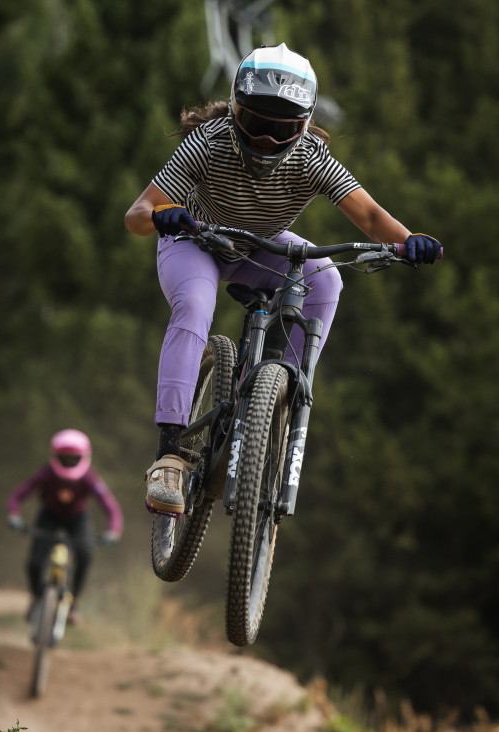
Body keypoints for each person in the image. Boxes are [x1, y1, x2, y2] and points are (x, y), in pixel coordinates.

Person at [123, 43, 442, 517]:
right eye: (257, 125)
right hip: (195, 240)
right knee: (194, 305)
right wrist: (163, 216)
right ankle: (171, 454)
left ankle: (276, 392)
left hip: (259, 249)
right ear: (234, 111)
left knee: (326, 278)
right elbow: (137, 214)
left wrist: (409, 238)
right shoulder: (209, 143)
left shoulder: (312, 159)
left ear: (306, 126)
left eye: (284, 129)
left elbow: (372, 217)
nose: (269, 142)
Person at [5, 428, 124, 624]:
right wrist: (14, 516)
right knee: (34, 563)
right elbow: (17, 496)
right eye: (64, 458)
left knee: (85, 556)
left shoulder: (89, 477)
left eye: (73, 458)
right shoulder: (46, 473)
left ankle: (74, 603)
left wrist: (114, 530)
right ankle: (36, 599)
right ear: (55, 456)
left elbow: (110, 506)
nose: (68, 462)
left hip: (78, 518)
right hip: (48, 517)